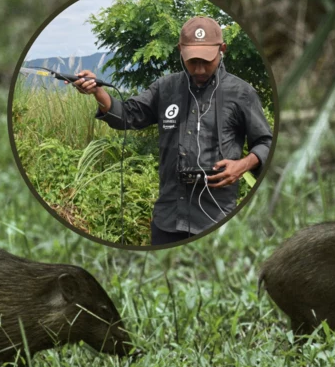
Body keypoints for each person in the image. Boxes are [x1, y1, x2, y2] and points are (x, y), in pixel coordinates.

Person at [72, 16, 273, 246]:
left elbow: (266, 143)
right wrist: (98, 92)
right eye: (192, 60)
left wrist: (242, 166)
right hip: (168, 218)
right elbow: (127, 116)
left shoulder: (241, 93)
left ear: (222, 49)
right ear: (180, 50)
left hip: (217, 217)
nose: (199, 68)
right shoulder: (165, 88)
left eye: (206, 61)